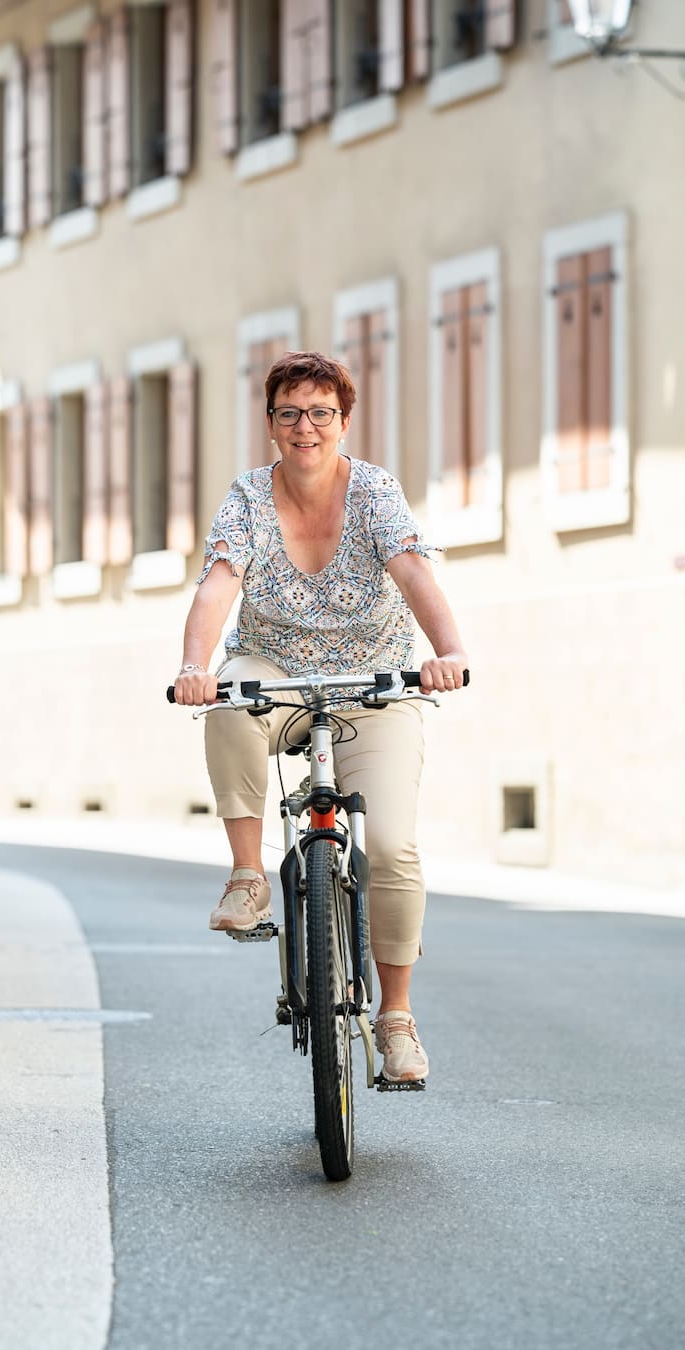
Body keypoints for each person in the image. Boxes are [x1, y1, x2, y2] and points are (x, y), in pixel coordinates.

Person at [173, 351, 468, 1084]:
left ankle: (396, 1020)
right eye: (290, 413)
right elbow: (218, 586)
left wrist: (449, 651)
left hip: (375, 681)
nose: (306, 427)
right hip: (274, 669)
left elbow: (411, 570)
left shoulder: (373, 493)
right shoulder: (247, 497)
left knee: (394, 846)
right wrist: (192, 666)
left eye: (321, 413)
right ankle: (247, 877)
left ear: (343, 420)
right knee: (231, 702)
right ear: (271, 423)